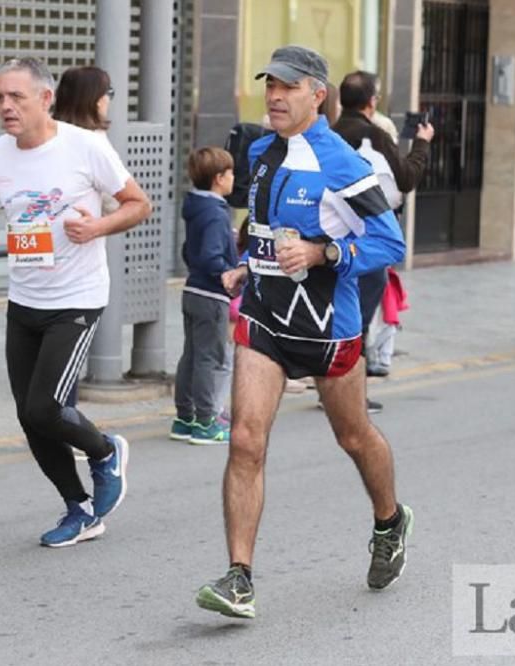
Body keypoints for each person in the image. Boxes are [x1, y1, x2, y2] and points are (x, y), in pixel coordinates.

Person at [195, 45, 411, 620]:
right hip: (265, 316)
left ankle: (389, 520)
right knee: (245, 439)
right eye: (270, 84)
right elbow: (261, 224)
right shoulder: (262, 151)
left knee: (353, 436)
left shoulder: (342, 163)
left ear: (318, 94)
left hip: (327, 329)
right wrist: (250, 261)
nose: (274, 95)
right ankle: (239, 577)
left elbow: (392, 244)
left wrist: (323, 251)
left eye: (288, 87)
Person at [0, 57, 152, 545]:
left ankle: (105, 452)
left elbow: (138, 204)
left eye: (16, 97)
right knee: (29, 414)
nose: (6, 106)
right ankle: (78, 509)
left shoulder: (86, 147)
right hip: (25, 298)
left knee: (45, 407)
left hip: (76, 298)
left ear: (45, 99)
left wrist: (96, 226)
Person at [331, 70, 432, 404]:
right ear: (371, 102)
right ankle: (350, 396)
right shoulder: (373, 136)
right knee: (357, 319)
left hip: (330, 239)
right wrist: (422, 144)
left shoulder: (328, 136)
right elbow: (405, 179)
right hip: (366, 239)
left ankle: (333, 389)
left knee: (337, 314)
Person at [52, 66, 118, 414]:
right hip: (72, 271)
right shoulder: (94, 143)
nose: (110, 101)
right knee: (61, 368)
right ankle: (69, 436)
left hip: (47, 272)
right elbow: (123, 202)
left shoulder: (42, 136)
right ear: (93, 98)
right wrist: (97, 224)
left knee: (54, 364)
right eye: (109, 93)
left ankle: (61, 434)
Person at [169, 147, 238, 445]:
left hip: (192, 290)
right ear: (219, 178)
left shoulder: (196, 207)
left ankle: (184, 417)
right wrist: (227, 273)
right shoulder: (215, 212)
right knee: (211, 357)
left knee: (193, 355)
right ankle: (207, 421)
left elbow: (190, 250)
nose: (234, 177)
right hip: (211, 294)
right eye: (231, 172)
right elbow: (212, 256)